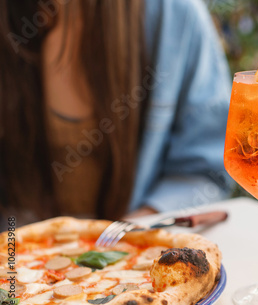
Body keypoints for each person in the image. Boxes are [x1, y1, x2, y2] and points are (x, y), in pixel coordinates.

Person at [0, 0, 232, 231]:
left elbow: (209, 170)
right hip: (16, 256)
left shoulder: (174, 14)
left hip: (132, 253)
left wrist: (132, 228)